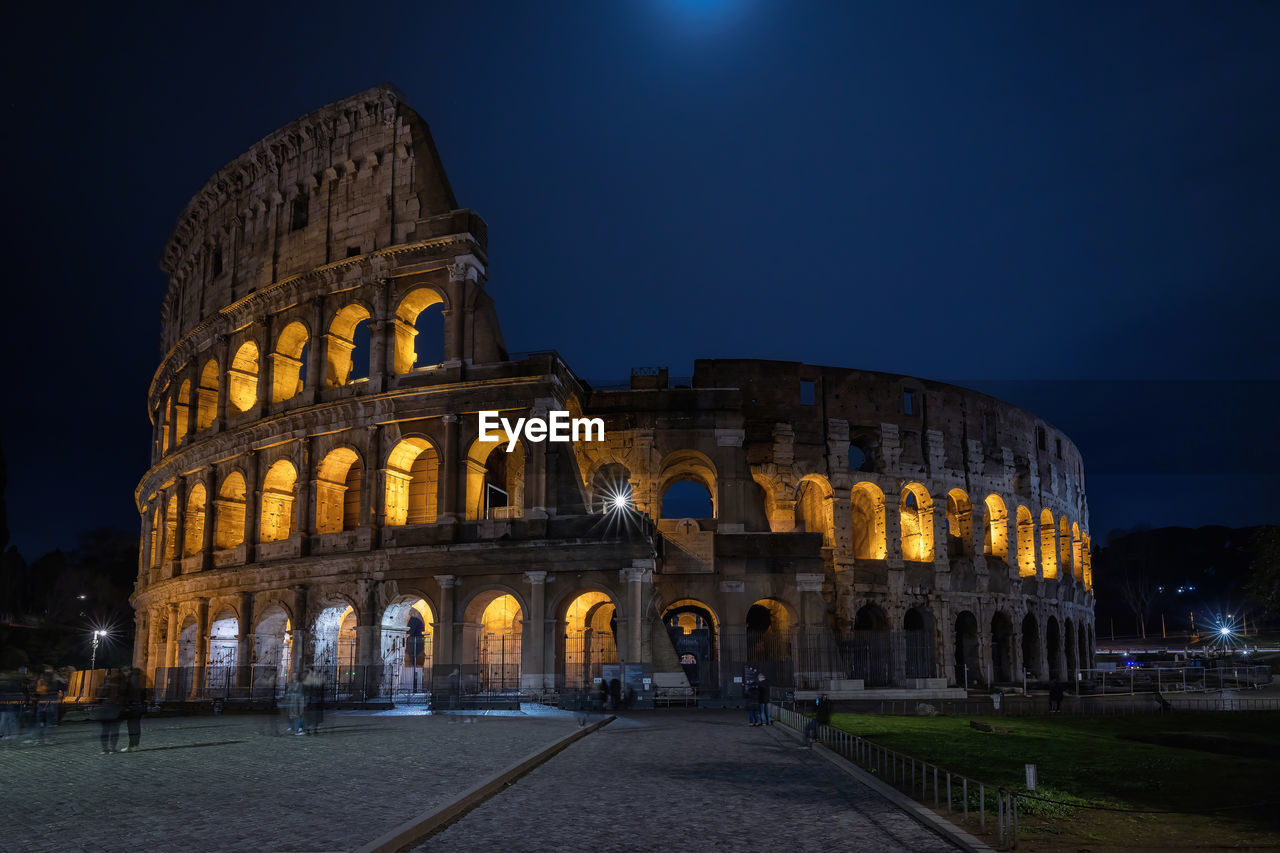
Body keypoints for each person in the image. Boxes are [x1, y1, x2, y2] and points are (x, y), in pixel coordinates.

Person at [96, 669, 126, 754]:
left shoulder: (104, 685)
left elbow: (99, 697)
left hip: (105, 708)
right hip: (116, 708)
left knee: (105, 730)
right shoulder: (121, 686)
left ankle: (104, 749)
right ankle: (113, 748)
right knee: (115, 730)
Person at [120, 668, 148, 752]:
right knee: (136, 727)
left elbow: (129, 694)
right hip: (139, 707)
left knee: (132, 727)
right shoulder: (140, 679)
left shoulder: (131, 680)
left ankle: (131, 746)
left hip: (133, 707)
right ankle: (136, 745)